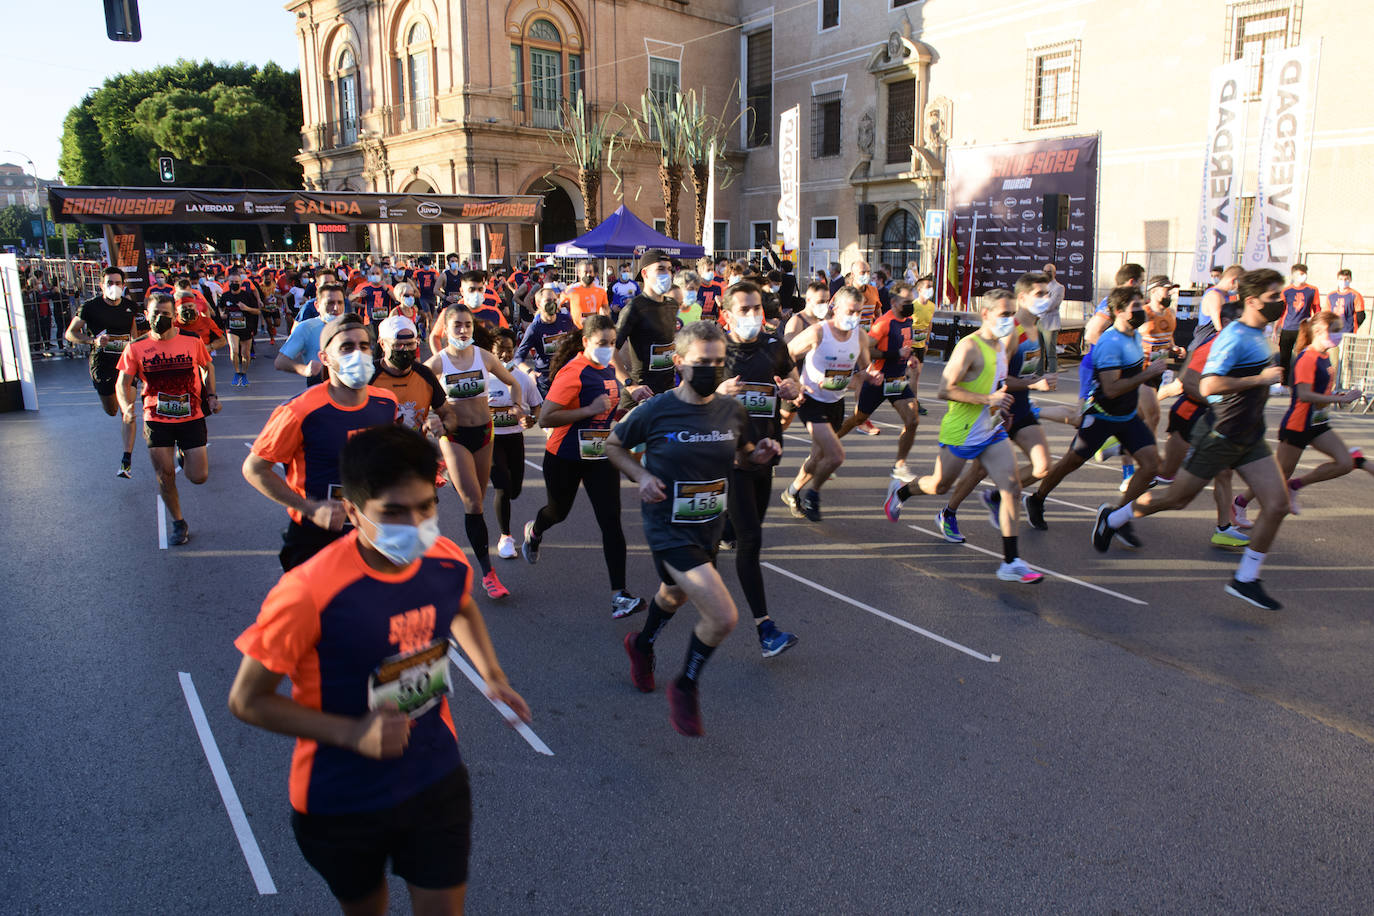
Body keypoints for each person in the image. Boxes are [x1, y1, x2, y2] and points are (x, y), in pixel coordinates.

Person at [229, 424, 531, 916]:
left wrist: (493, 674)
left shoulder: (444, 559)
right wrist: (352, 734)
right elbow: (247, 700)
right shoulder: (307, 592)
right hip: (341, 798)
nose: (415, 525)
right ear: (352, 511)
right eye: (393, 513)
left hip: (434, 775)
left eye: (426, 507)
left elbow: (461, 606)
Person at [608, 320, 782, 736]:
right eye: (703, 362)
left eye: (718, 362)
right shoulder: (656, 409)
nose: (712, 370)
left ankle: (641, 644)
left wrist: (759, 454)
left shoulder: (731, 410)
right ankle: (685, 686)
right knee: (722, 616)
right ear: (680, 362)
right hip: (668, 528)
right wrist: (640, 476)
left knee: (675, 594)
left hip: (708, 526)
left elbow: (742, 456)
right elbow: (614, 444)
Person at [1118, 269, 1292, 611]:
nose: (1280, 301)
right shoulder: (1233, 336)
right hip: (1219, 433)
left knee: (1277, 505)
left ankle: (1245, 579)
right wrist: (1260, 379)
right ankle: (1115, 517)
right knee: (1176, 498)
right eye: (1274, 296)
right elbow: (1208, 385)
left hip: (1250, 435)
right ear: (1252, 301)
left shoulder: (1261, 334)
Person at [881, 289, 1043, 584]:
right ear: (986, 314)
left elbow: (998, 383)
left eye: (1012, 314)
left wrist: (1002, 407)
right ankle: (901, 492)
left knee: (1012, 488)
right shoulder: (969, 347)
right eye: (1004, 314)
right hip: (961, 431)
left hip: (992, 431)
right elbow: (945, 389)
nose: (1009, 320)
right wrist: (988, 400)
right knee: (940, 485)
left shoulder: (1002, 345)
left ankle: (1011, 561)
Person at [244, 314, 400, 571]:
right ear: (325, 358)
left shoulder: (385, 401)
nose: (358, 354)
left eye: (364, 346)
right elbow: (254, 469)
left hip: (372, 531)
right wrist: (309, 508)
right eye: (346, 347)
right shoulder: (299, 410)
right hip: (315, 537)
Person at [522, 315, 646, 618]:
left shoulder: (608, 370)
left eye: (612, 343)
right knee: (558, 512)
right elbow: (546, 417)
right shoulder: (573, 372)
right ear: (586, 342)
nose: (608, 348)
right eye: (602, 343)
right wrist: (588, 410)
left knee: (611, 522)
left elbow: (605, 415)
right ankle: (534, 531)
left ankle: (619, 595)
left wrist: (625, 416)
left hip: (599, 456)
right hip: (564, 456)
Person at [1022, 286, 1163, 546]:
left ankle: (1116, 518)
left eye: (1142, 304)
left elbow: (1132, 375)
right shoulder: (1110, 343)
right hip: (1102, 415)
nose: (1142, 310)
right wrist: (1148, 373)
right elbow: (1111, 389)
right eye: (1135, 306)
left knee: (1151, 465)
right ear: (1119, 311)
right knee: (1070, 463)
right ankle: (1037, 499)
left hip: (1127, 416)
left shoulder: (1134, 335)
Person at [939, 272, 1057, 541]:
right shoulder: (1009, 333)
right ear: (1023, 298)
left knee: (1043, 467)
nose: (1046, 299)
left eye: (1047, 293)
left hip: (1021, 407)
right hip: (999, 410)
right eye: (1040, 294)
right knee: (977, 471)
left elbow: (1022, 374)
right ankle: (949, 511)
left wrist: (1036, 382)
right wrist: (1033, 384)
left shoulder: (1036, 329)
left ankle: (998, 495)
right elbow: (999, 381)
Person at [718, 282, 800, 656]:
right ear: (727, 315)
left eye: (757, 308)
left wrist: (792, 390)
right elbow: (690, 397)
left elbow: (793, 378)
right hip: (730, 457)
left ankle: (721, 530)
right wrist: (717, 393)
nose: (753, 315)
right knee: (751, 540)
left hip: (766, 452)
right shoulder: (716, 350)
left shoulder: (773, 346)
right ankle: (765, 629)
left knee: (743, 528)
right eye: (745, 309)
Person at [425, 305, 527, 599]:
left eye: (467, 325)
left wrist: (517, 405)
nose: (463, 330)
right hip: (454, 437)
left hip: (484, 433)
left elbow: (513, 382)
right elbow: (418, 395)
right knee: (472, 503)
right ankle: (488, 574)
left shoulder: (484, 357)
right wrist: (430, 419)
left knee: (479, 500)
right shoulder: (437, 363)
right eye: (457, 325)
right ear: (445, 330)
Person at [1233, 310, 1368, 518]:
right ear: (1319, 331)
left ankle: (1295, 485)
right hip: (1298, 425)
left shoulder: (1324, 357)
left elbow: (1319, 392)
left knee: (1345, 463)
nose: (1340, 335)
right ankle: (1239, 503)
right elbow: (1304, 395)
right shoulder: (1308, 358)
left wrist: (1338, 396)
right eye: (1335, 330)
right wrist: (1341, 399)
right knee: (1280, 473)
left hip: (1318, 423)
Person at [115, 294, 219, 546]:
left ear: (174, 317)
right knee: (165, 475)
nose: (159, 318)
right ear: (146, 315)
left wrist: (212, 395)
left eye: (165, 314)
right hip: (156, 418)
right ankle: (178, 522)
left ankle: (183, 453)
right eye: (155, 313)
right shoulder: (136, 347)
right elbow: (122, 383)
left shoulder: (191, 340)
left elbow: (208, 367)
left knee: (199, 476)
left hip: (191, 416)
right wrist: (126, 407)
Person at [1155, 301, 1250, 548]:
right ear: (1227, 323)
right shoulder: (1213, 345)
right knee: (1165, 476)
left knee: (1224, 472)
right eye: (1243, 320)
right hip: (1189, 415)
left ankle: (1223, 529)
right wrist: (1218, 403)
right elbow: (1187, 383)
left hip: (1211, 418)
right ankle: (1118, 513)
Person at [781, 286, 871, 521]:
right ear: (836, 308)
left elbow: (864, 370)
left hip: (836, 402)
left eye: (859, 312)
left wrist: (871, 379)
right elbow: (787, 353)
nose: (855, 317)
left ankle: (792, 491)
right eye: (850, 311)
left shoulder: (860, 336)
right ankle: (813, 495)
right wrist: (796, 385)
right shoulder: (818, 332)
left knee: (818, 457)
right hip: (811, 400)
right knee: (836, 455)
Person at [836, 280, 921, 481]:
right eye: (906, 302)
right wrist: (894, 354)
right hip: (878, 380)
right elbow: (866, 348)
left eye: (912, 301)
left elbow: (904, 345)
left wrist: (910, 357)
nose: (910, 305)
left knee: (912, 420)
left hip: (897, 380)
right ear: (894, 302)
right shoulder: (884, 322)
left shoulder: (908, 320)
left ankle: (900, 465)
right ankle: (826, 445)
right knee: (857, 420)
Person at [65, 266, 141, 478]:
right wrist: (93, 341)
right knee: (112, 410)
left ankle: (126, 460)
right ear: (101, 285)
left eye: (118, 283)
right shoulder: (90, 307)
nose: (114, 287)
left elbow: (134, 335)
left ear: (123, 286)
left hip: (126, 365)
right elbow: (70, 333)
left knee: (127, 409)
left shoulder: (130, 306)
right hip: (103, 365)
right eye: (110, 283)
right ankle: (114, 403)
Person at [487, 328, 543, 561]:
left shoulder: (522, 378)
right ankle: (505, 537)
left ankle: (513, 526)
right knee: (501, 485)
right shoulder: (483, 377)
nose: (504, 355)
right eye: (500, 350)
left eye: (509, 350)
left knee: (514, 489)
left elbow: (536, 406)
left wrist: (532, 420)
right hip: (491, 439)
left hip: (514, 437)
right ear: (490, 351)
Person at [614, 249, 680, 409]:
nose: (667, 274)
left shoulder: (672, 305)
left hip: (667, 393)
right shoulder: (634, 308)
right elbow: (610, 351)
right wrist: (630, 386)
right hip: (640, 395)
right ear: (645, 273)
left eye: (669, 269)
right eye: (660, 269)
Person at [368, 315, 453, 437]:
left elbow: (448, 414)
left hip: (415, 446)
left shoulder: (425, 375)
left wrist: (443, 427)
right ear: (382, 344)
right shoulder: (369, 376)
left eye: (410, 344)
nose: (405, 350)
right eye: (398, 345)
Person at [277, 283, 346, 387]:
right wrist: (304, 370)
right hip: (319, 389)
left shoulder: (352, 326)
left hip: (350, 390)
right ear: (317, 306)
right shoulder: (307, 328)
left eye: (340, 302)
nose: (336, 308)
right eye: (330, 303)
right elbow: (280, 361)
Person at [515, 286, 579, 397]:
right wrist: (530, 372)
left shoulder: (566, 320)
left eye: (555, 300)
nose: (553, 304)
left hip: (567, 375)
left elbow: (579, 342)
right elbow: (518, 358)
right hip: (546, 380)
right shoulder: (535, 328)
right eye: (548, 301)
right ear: (538, 304)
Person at [220, 268, 262, 387]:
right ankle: (237, 372)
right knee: (234, 351)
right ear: (228, 283)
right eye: (232, 282)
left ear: (241, 283)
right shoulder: (225, 296)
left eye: (236, 282)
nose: (234, 284)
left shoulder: (247, 296)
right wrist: (222, 314)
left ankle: (244, 373)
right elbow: (221, 308)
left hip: (246, 327)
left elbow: (258, 311)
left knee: (246, 354)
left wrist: (246, 308)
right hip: (231, 328)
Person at [1278, 263, 1320, 382]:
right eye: (1300, 274)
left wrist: (1315, 326)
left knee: (1303, 357)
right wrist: (1276, 328)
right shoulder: (1286, 291)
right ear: (1293, 275)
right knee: (1284, 358)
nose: (1303, 276)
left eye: (1304, 273)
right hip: (1287, 328)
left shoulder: (1312, 290)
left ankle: (1301, 382)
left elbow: (1317, 309)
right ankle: (1283, 383)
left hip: (1303, 328)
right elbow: (1281, 311)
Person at [560, 261, 610, 328]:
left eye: (590, 272)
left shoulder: (601, 290)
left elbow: (606, 309)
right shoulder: (571, 289)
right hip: (575, 328)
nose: (588, 275)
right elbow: (558, 305)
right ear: (579, 273)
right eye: (585, 272)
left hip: (594, 328)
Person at [1041, 263, 1065, 374]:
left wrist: (1041, 302)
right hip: (1039, 322)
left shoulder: (1059, 288)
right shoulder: (1039, 286)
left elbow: (1050, 306)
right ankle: (1039, 376)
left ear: (1054, 273)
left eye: (1049, 272)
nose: (1046, 274)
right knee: (1039, 353)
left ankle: (1052, 376)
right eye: (1044, 271)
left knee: (1050, 353)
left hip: (1050, 324)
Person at [1326, 268, 1365, 335]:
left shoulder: (1355, 295)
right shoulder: (1331, 295)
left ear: (1350, 280)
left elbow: (1361, 315)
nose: (1343, 281)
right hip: (1332, 332)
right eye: (1341, 279)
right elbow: (1327, 313)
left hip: (1348, 332)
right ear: (1337, 280)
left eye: (1346, 279)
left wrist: (1354, 327)